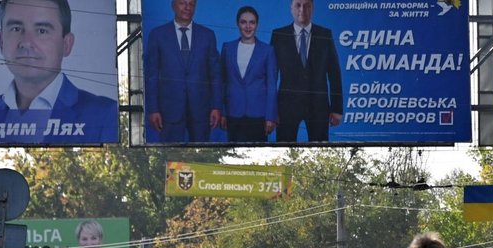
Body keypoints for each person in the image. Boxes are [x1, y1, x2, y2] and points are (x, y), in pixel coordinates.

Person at [0, 0, 118, 144]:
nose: (26, 42)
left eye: (41, 31)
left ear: (67, 44)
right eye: (16, 29)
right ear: (1, 41)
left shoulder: (104, 113)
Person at [144, 0, 223, 143]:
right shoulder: (157, 35)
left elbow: (215, 75)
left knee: (201, 154)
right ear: (173, 5)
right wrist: (153, 109)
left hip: (201, 109)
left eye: (191, 4)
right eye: (182, 3)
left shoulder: (208, 35)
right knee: (170, 154)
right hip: (169, 110)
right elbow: (151, 76)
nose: (187, 7)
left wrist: (216, 106)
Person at [270, 0, 344, 142]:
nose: (302, 9)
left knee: (321, 150)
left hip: (318, 106)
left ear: (312, 8)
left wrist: (337, 109)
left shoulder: (325, 34)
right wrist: (271, 110)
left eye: (307, 5)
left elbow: (335, 74)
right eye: (298, 5)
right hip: (286, 107)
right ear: (291, 8)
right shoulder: (278, 35)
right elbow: (271, 75)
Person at [220, 6, 278, 142]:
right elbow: (222, 83)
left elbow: (271, 86)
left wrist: (270, 116)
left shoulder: (267, 51)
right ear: (237, 24)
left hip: (258, 115)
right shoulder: (227, 48)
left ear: (257, 25)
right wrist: (222, 112)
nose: (247, 26)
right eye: (243, 22)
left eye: (252, 22)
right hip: (233, 112)